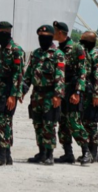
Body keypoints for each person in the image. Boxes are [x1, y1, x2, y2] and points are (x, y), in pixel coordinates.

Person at [23, 25, 64, 165]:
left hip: (50, 94)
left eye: (45, 36)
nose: (42, 38)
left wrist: (58, 95)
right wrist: (22, 90)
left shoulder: (57, 54)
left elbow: (60, 76)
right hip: (36, 94)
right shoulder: (36, 53)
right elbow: (28, 74)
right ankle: (41, 152)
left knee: (49, 124)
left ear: (51, 36)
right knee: (38, 124)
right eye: (40, 36)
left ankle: (49, 154)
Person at [53, 21, 91, 164]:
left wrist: (78, 92)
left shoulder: (77, 48)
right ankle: (68, 153)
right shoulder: (58, 49)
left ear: (61, 33)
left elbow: (82, 71)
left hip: (72, 89)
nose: (53, 34)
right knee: (62, 122)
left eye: (55, 31)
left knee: (74, 122)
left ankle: (86, 152)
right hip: (60, 89)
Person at [0, 21, 24, 166]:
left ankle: (2, 154)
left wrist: (13, 95)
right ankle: (6, 155)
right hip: (0, 91)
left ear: (6, 33)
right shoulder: (2, 50)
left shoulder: (16, 50)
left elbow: (18, 74)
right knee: (5, 122)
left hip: (9, 92)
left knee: (1, 122)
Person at [79, 31, 98, 163]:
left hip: (93, 94)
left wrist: (97, 95)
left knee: (91, 123)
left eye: (83, 40)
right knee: (84, 122)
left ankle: (94, 152)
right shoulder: (85, 55)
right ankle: (88, 152)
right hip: (85, 93)